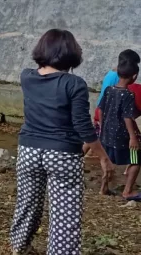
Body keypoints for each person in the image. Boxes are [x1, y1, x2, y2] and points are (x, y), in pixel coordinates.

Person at [9, 29, 113, 255]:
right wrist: (103, 156)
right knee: (65, 216)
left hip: (28, 150)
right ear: (70, 54)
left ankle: (20, 247)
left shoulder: (27, 76)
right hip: (62, 154)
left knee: (28, 203)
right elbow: (83, 126)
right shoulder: (74, 84)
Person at [98, 56, 141, 200]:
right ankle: (127, 191)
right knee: (136, 159)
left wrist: (103, 128)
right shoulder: (128, 95)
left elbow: (101, 110)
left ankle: (104, 188)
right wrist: (133, 137)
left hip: (107, 134)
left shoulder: (109, 90)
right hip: (124, 136)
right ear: (134, 76)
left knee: (107, 160)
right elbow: (127, 117)